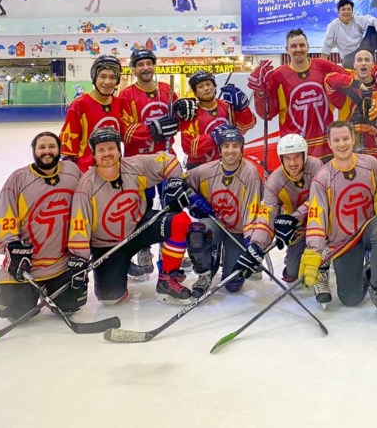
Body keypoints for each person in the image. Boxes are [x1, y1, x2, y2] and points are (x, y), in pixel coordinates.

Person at [68, 128, 202, 305]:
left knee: (179, 220)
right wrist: (79, 261)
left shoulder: (135, 165)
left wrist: (175, 181)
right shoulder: (86, 185)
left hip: (139, 229)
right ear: (93, 154)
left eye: (111, 148)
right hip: (108, 246)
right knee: (110, 299)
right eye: (101, 150)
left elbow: (168, 161)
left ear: (119, 150)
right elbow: (79, 228)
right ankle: (118, 269)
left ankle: (167, 278)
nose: (107, 153)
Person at [300, 121, 377, 319]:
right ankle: (364, 273)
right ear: (329, 143)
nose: (342, 144)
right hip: (343, 241)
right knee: (351, 298)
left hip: (369, 227)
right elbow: (316, 217)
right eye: (336, 140)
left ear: (353, 139)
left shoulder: (371, 164)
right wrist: (314, 252)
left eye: (346, 139)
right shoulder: (322, 178)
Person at [0, 132, 85, 320]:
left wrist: (81, 253)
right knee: (15, 314)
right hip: (27, 266)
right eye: (41, 147)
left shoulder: (72, 171)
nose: (46, 151)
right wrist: (12, 246)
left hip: (61, 264)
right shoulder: (19, 179)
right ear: (34, 151)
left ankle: (54, 288)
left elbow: (86, 206)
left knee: (71, 307)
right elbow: (4, 216)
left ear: (59, 150)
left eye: (51, 147)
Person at [118, 47, 181, 280]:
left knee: (171, 205)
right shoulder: (126, 96)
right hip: (139, 163)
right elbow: (125, 131)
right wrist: (151, 130)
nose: (145, 67)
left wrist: (183, 112)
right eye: (140, 64)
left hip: (166, 159)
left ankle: (170, 251)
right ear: (134, 69)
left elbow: (176, 122)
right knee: (141, 208)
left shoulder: (167, 90)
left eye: (148, 63)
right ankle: (143, 248)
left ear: (154, 66)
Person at [184, 127, 265, 296]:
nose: (230, 151)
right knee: (197, 232)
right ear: (219, 150)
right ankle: (205, 273)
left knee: (233, 285)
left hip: (238, 231)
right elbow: (181, 182)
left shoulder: (250, 173)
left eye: (235, 146)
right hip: (215, 224)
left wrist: (252, 244)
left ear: (241, 149)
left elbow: (253, 211)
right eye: (226, 146)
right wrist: (194, 199)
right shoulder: (206, 170)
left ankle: (229, 256)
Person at [249, 29, 348, 159]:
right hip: (294, 151)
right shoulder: (278, 76)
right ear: (287, 49)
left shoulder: (325, 66)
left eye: (302, 45)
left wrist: (367, 80)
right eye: (293, 46)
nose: (298, 49)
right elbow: (267, 113)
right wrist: (260, 93)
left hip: (326, 147)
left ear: (308, 47)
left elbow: (350, 80)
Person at [246, 134, 325, 295]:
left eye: (297, 157)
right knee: (293, 275)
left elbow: (320, 198)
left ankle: (324, 264)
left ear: (305, 155)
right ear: (281, 159)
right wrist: (256, 245)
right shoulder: (274, 181)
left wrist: (293, 217)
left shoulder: (316, 165)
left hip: (320, 221)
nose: (293, 163)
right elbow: (266, 214)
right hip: (296, 230)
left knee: (321, 253)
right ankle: (294, 258)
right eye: (287, 158)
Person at [323, 49, 377, 162]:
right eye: (359, 60)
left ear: (373, 65)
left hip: (375, 147)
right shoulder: (345, 82)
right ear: (354, 65)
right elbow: (328, 79)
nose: (363, 63)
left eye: (367, 60)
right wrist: (355, 83)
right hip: (349, 146)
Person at [175, 70, 255, 169]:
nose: (206, 89)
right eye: (201, 86)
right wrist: (213, 137)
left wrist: (242, 108)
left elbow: (247, 125)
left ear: (214, 86)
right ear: (195, 92)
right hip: (199, 167)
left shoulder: (227, 106)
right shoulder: (190, 112)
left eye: (208, 84)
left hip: (228, 163)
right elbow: (191, 149)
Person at [59, 54, 124, 172]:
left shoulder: (120, 104)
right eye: (102, 76)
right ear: (94, 77)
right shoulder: (79, 105)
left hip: (114, 169)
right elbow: (68, 146)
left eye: (112, 77)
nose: (107, 82)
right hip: (87, 172)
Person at [320, 0, 377, 67]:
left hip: (363, 49)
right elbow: (327, 45)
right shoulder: (333, 26)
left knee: (373, 27)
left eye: (349, 9)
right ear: (338, 11)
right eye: (343, 9)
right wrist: (323, 66)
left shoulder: (357, 19)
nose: (346, 12)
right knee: (346, 63)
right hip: (349, 57)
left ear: (352, 11)